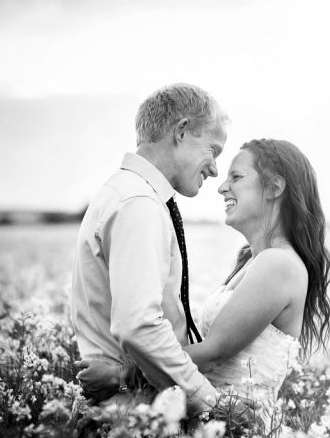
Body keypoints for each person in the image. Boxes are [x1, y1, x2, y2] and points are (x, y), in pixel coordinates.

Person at [77, 138, 330, 421]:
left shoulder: (278, 264)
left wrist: (122, 376)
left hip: (236, 426)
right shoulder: (254, 261)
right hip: (215, 415)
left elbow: (214, 353)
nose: (223, 187)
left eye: (236, 177)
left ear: (274, 188)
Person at [70, 83, 229, 416]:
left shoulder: (129, 194)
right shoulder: (138, 203)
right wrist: (212, 406)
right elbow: (139, 326)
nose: (215, 168)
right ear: (182, 132)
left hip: (132, 404)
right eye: (213, 149)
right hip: (131, 415)